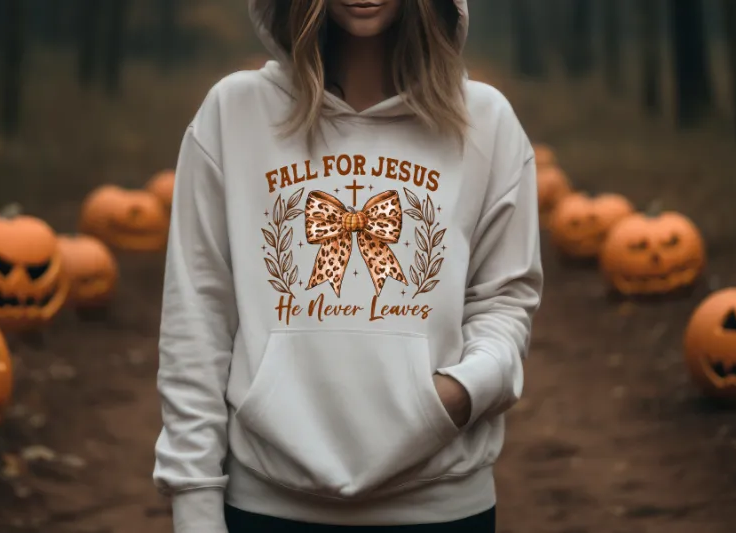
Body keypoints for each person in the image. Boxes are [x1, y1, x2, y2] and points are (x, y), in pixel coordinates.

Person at [153, 0, 543, 532]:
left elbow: (505, 299)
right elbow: (196, 317)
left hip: (441, 507)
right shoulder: (235, 113)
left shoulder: (485, 120)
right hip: (267, 506)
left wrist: (462, 392)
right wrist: (194, 503)